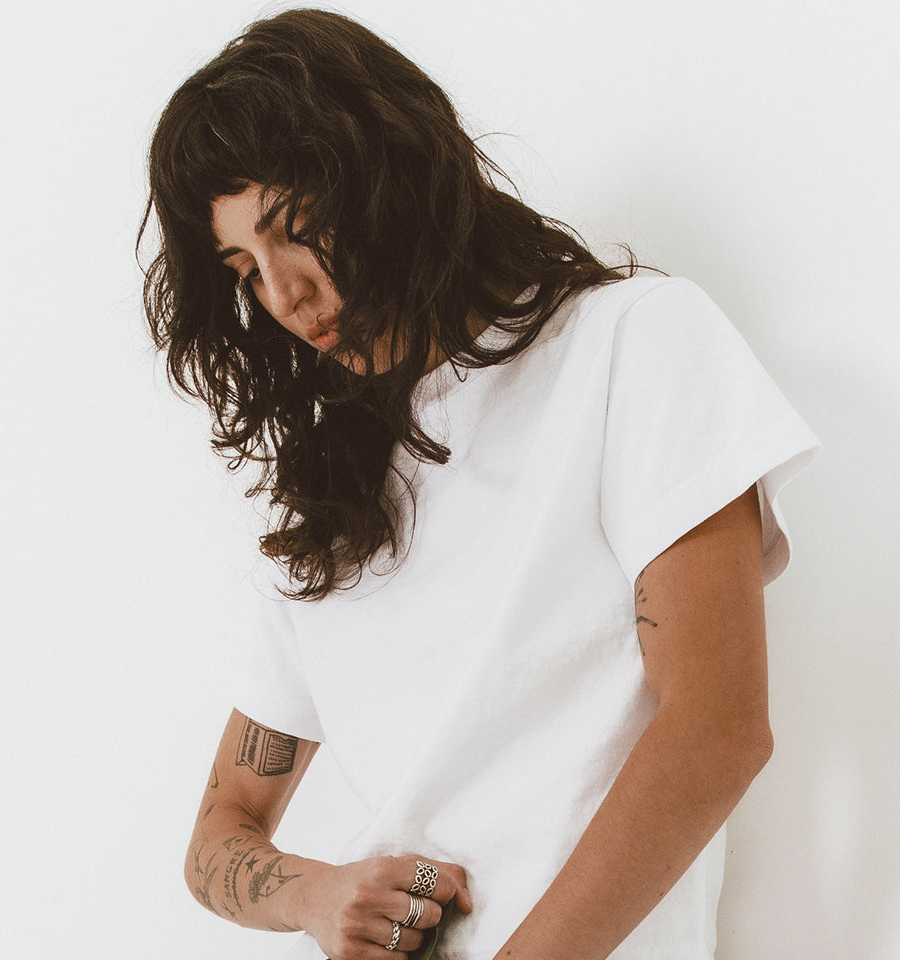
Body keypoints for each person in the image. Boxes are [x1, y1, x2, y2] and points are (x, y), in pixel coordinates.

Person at [140, 8, 818, 960]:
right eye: (243, 267)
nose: (282, 294)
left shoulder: (633, 345)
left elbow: (718, 728)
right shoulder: (326, 505)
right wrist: (318, 894)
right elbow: (220, 833)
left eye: (297, 231)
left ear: (389, 176)